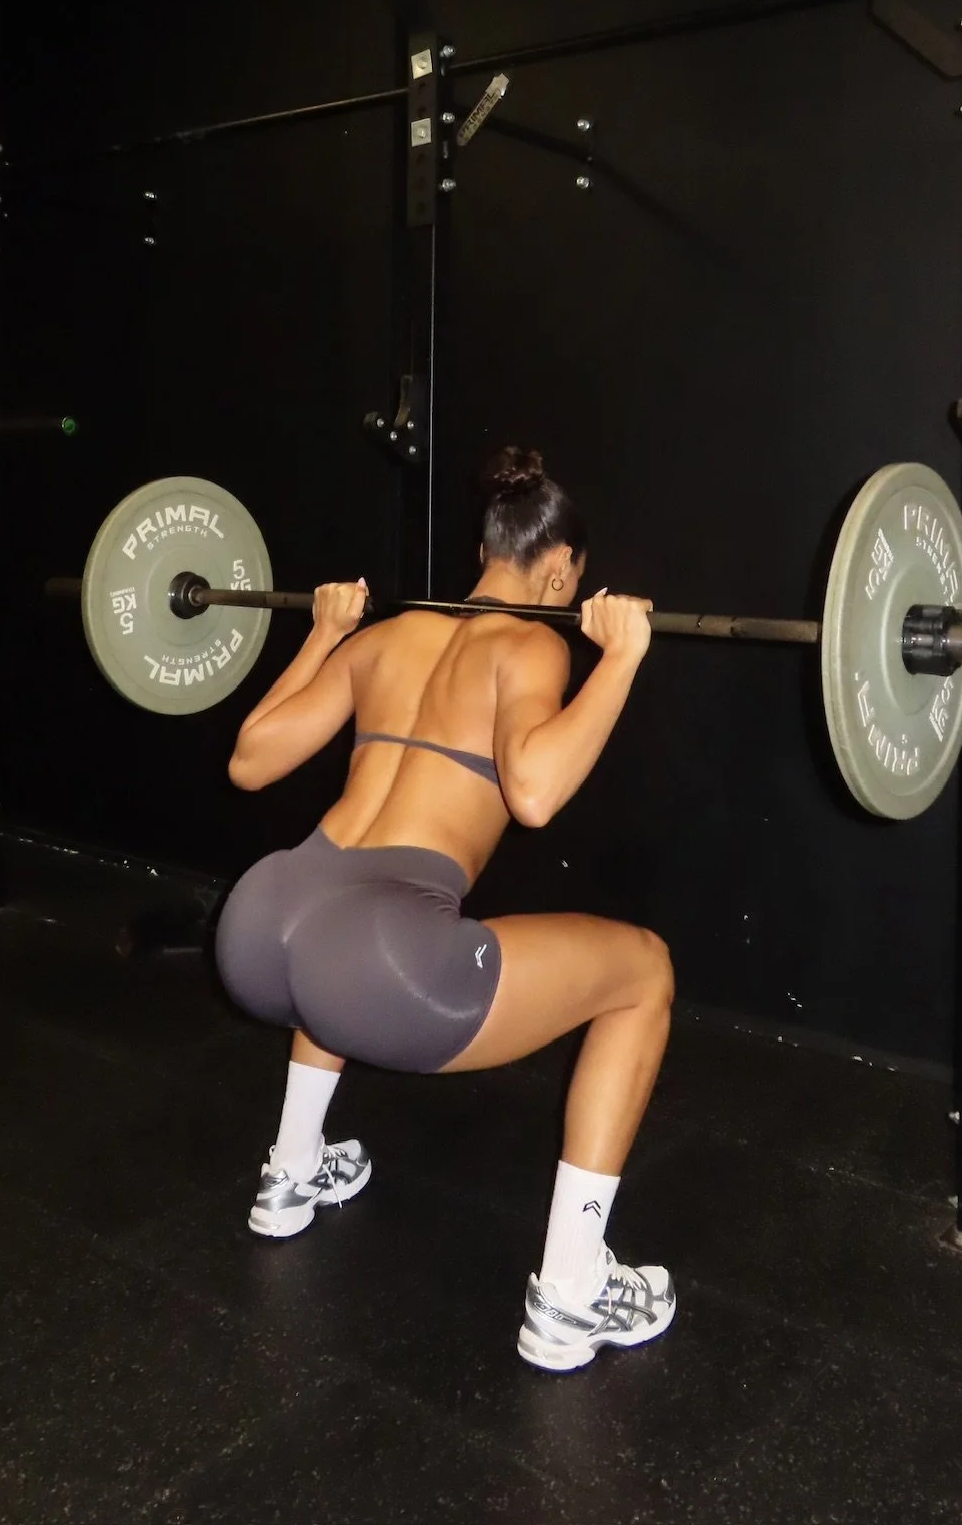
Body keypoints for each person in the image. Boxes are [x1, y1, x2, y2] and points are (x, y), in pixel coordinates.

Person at [214, 447, 675, 1372]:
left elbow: (251, 759)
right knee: (643, 973)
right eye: (574, 583)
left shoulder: (389, 633)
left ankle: (293, 1169)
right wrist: (619, 659)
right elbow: (536, 792)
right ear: (557, 569)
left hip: (266, 918)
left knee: (339, 940)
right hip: (377, 955)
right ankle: (573, 1293)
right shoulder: (532, 644)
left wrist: (322, 632)